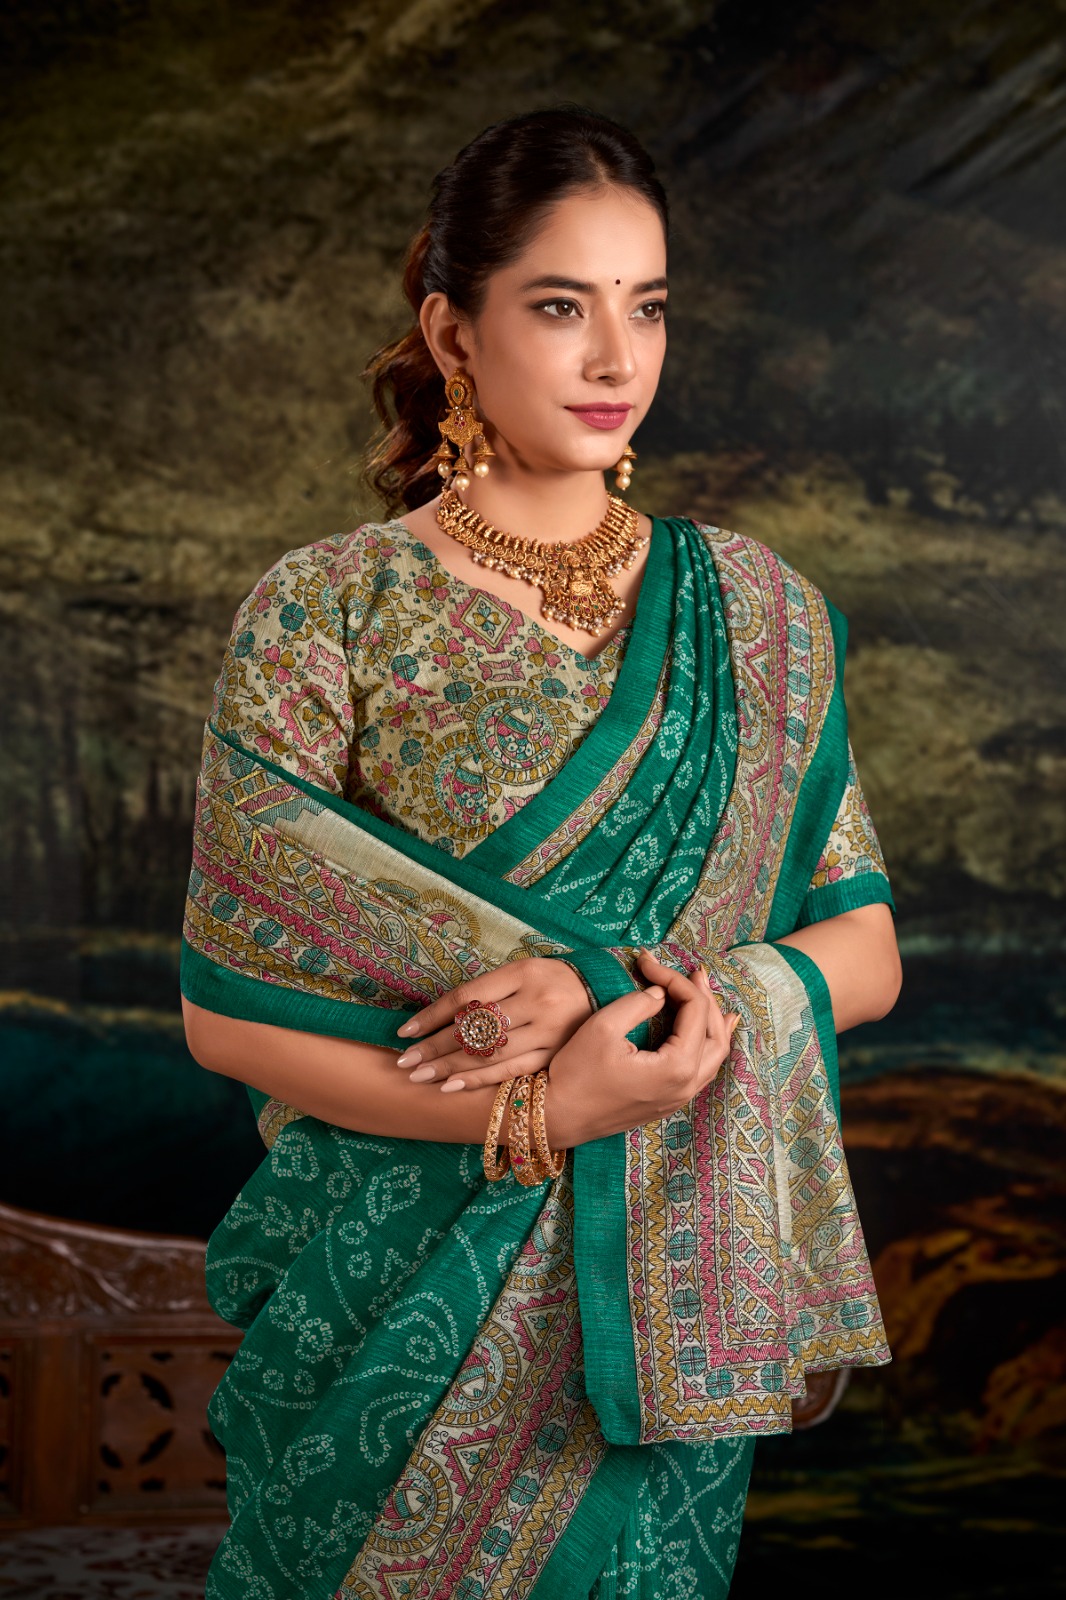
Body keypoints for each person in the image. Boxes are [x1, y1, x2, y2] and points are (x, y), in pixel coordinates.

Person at [181, 105, 901, 1600]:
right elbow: (229, 1011)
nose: (616, 358)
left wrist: (601, 994)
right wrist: (540, 1113)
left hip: (664, 1289)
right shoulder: (327, 611)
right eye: (562, 307)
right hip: (385, 1292)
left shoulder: (758, 613)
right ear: (454, 331)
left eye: (648, 307)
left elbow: (862, 949)